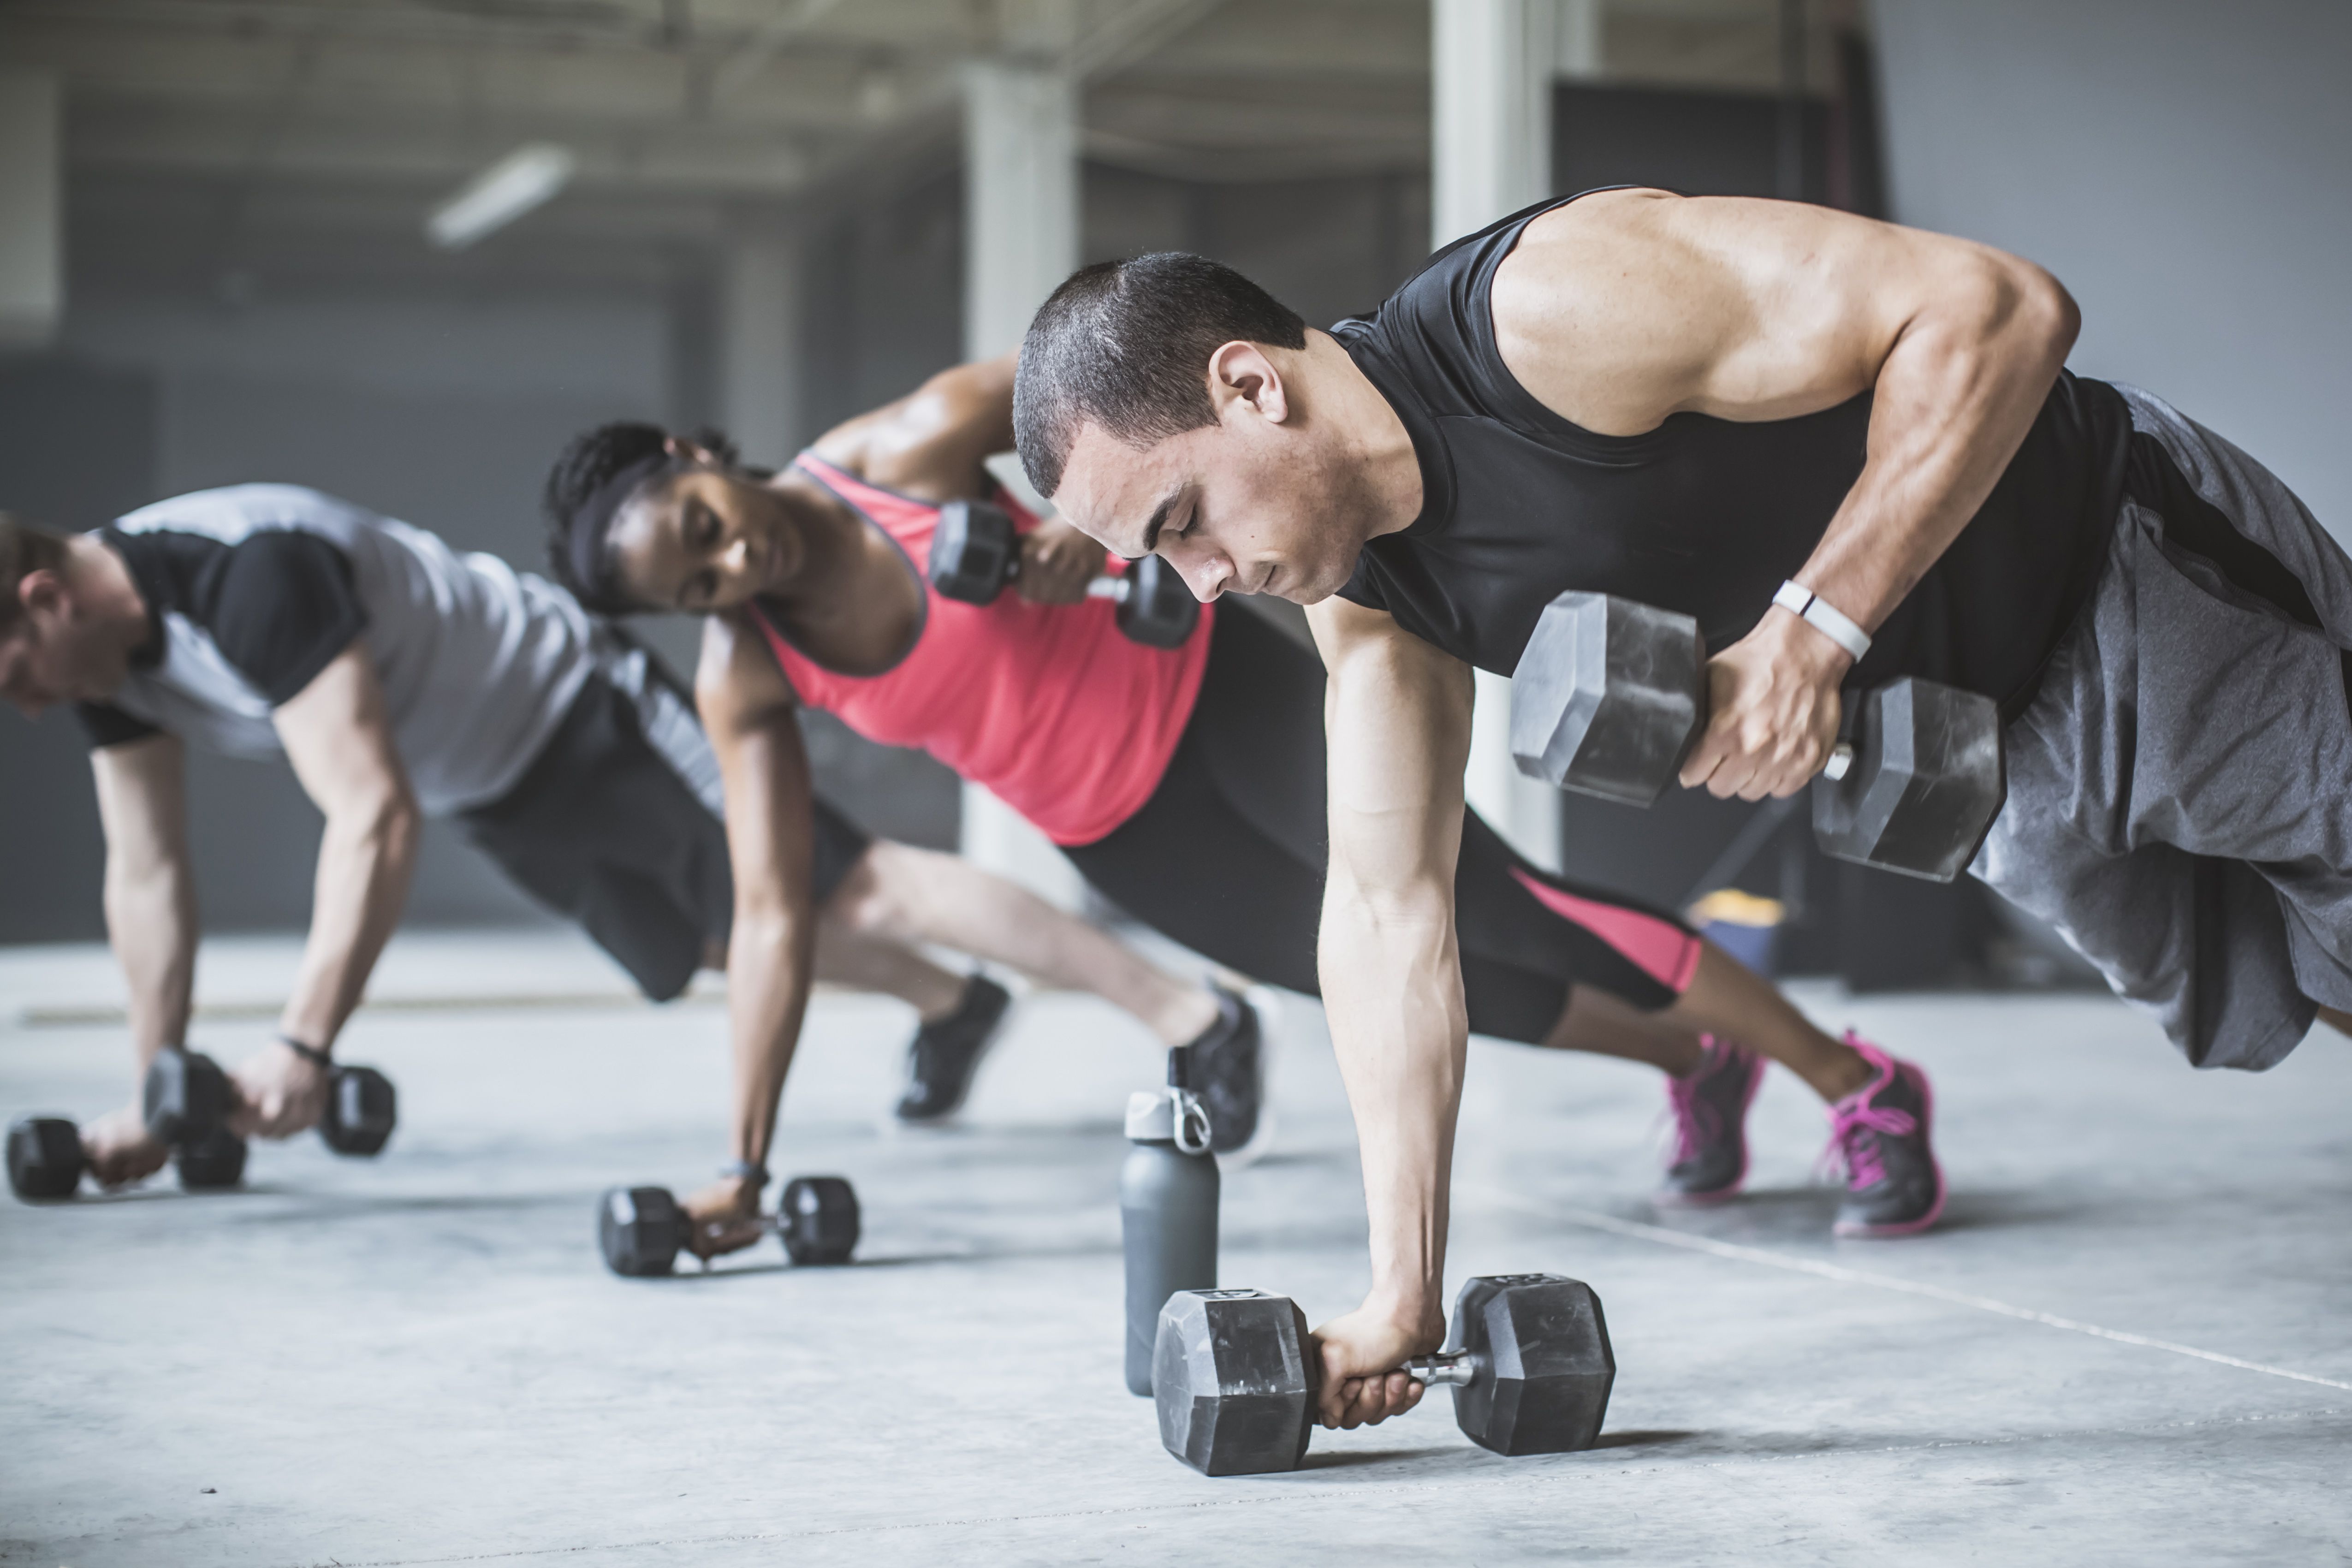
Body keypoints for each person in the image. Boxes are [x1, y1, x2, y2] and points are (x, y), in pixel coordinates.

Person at [1014, 186, 2352, 1431]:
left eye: (1182, 520)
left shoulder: (1547, 314)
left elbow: (1998, 307)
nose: (1193, 584)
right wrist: (1398, 1295)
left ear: (1249, 385)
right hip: (1969, 753)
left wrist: (1809, 631)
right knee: (2256, 996)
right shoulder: (1371, 610)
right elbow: (1385, 915)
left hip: (2119, 566)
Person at [540, 352, 1924, 1267]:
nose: (733, 561)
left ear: (693, 455)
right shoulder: (749, 676)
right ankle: (1697, 1063)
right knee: (1447, 991)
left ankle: (1855, 1086)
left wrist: (1075, 526)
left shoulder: (896, 456)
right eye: (698, 585)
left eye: (703, 523)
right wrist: (742, 1162)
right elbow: (777, 912)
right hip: (1125, 834)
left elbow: (1103, 394)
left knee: (1498, 909)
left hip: (1216, 701)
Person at [0, 488, 1243, 1229]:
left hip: (572, 705)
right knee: (700, 942)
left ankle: (1192, 1015)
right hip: (494, 781)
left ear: (44, 596)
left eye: (12, 676)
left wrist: (304, 1046)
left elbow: (370, 816)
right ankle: (955, 1002)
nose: (29, 708)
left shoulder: (245, 580)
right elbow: (147, 875)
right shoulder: (114, 668)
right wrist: (152, 1088)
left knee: (837, 882)